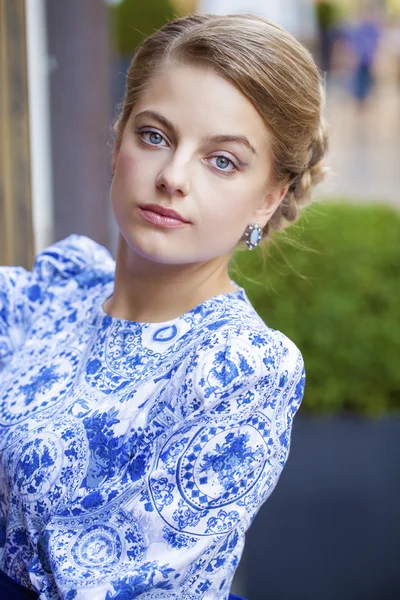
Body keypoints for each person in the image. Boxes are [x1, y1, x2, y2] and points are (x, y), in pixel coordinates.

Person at [0, 12, 328, 600]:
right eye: (155, 136)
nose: (172, 176)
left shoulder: (242, 370)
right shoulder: (57, 289)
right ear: (118, 136)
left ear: (270, 197)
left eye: (222, 160)